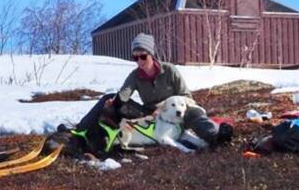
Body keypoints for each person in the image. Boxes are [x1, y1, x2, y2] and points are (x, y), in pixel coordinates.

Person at [59, 33, 228, 155]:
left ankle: (216, 138)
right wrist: (115, 103)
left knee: (195, 111)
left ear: (151, 55)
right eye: (135, 58)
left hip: (176, 110)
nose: (139, 61)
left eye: (143, 56)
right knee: (107, 98)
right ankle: (78, 131)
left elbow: (186, 96)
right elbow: (123, 95)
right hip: (149, 114)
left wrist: (165, 106)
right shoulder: (135, 75)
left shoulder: (169, 70)